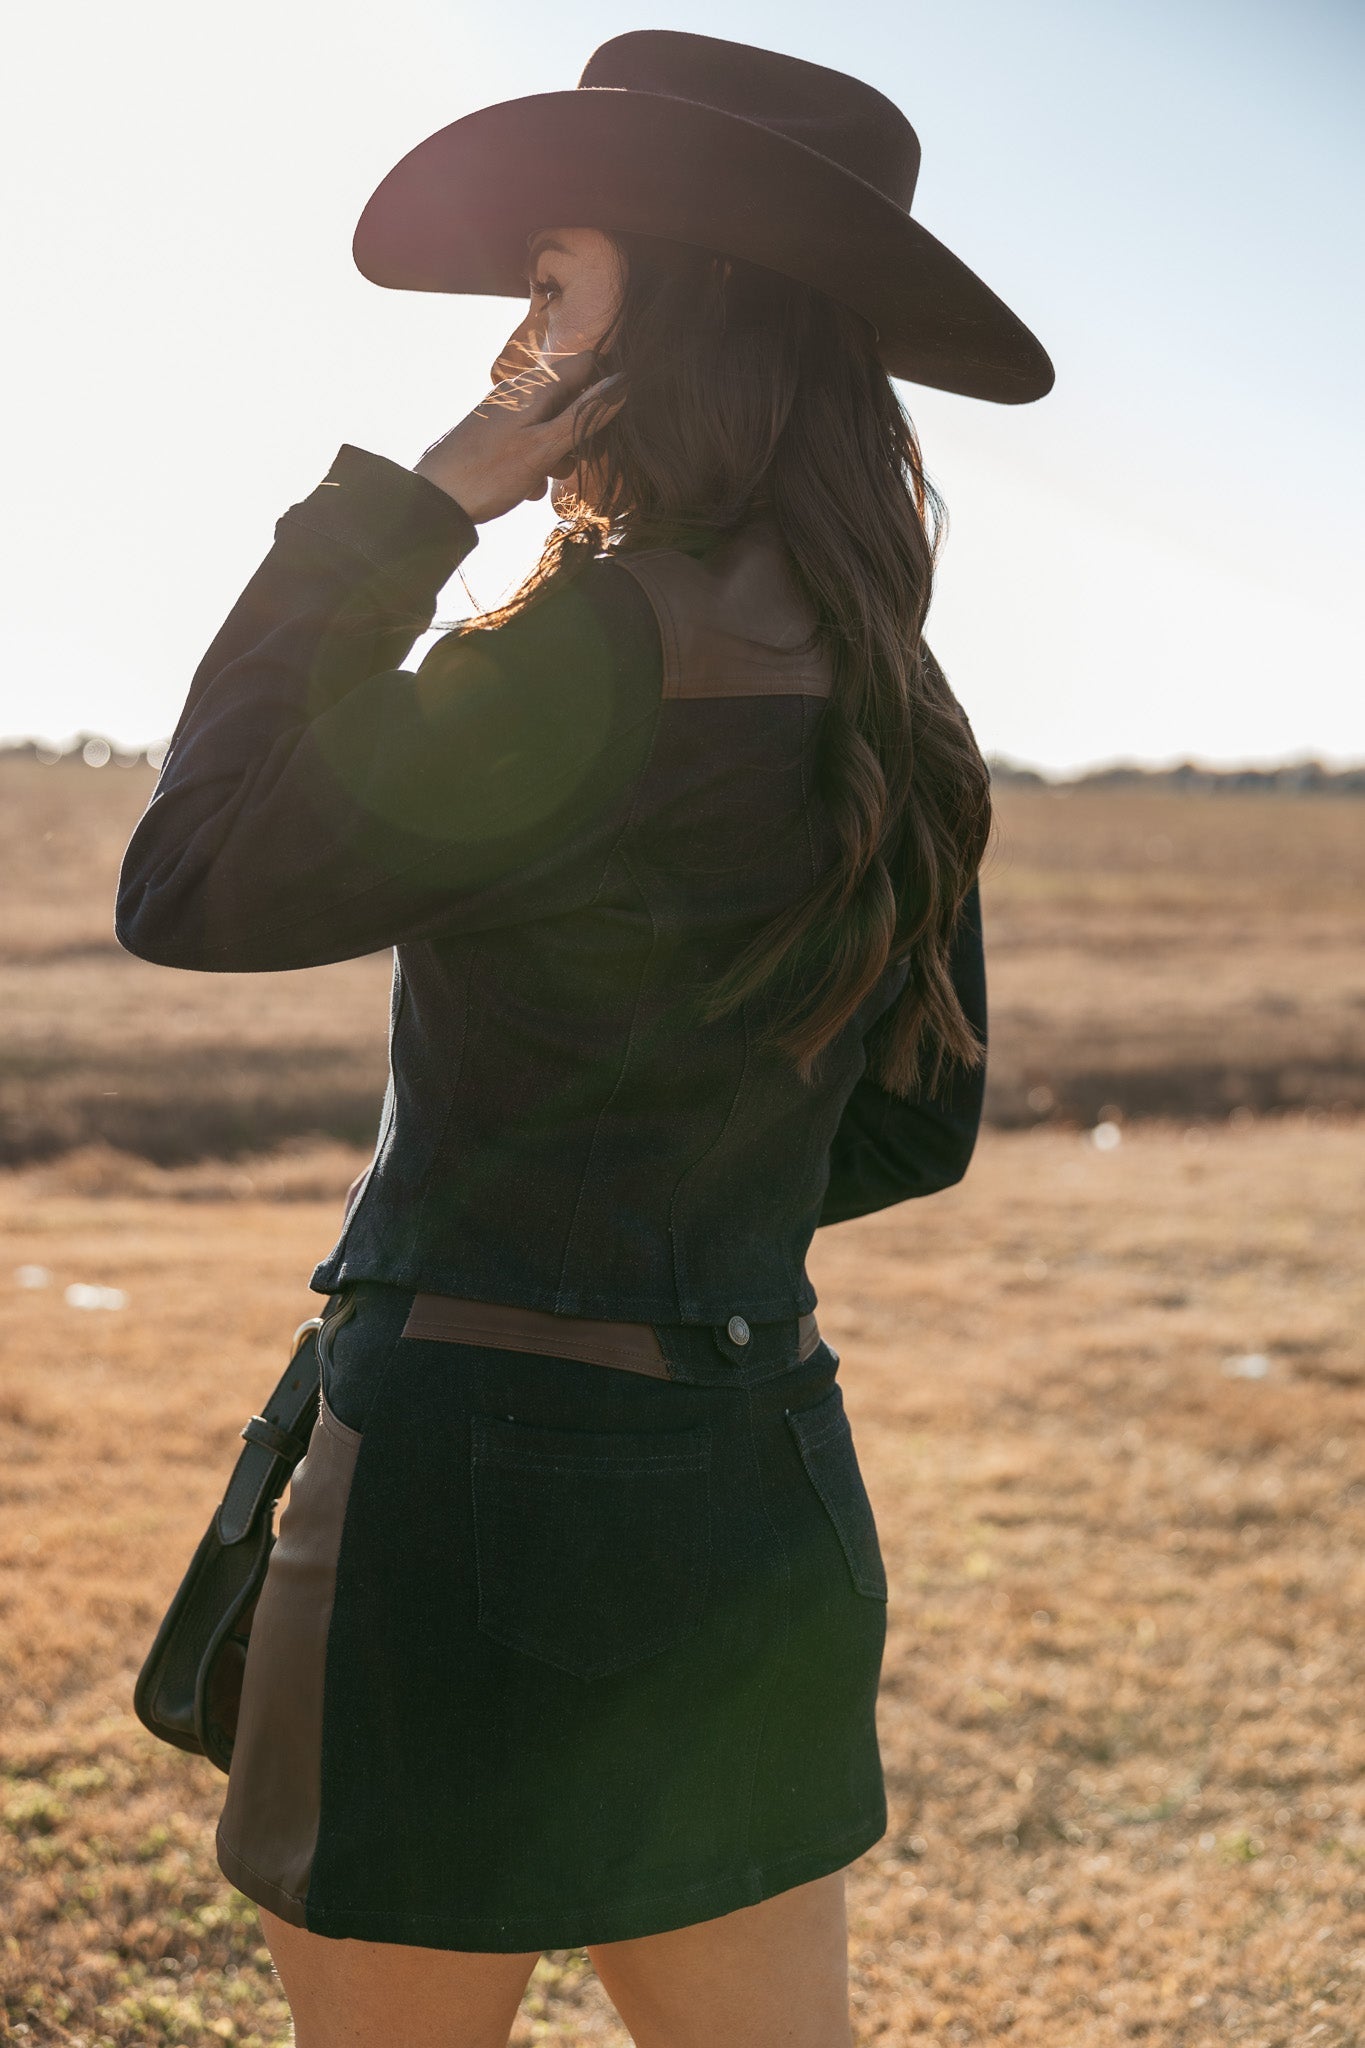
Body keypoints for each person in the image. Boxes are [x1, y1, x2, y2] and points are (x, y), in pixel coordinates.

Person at [115, 29, 1052, 2048]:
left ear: (685, 293)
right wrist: (678, 1201)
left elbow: (191, 879)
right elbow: (915, 1124)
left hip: (464, 1493)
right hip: (752, 1467)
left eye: (556, 274)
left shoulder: (590, 641)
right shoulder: (901, 694)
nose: (519, 332)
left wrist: (417, 502)